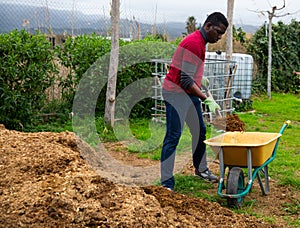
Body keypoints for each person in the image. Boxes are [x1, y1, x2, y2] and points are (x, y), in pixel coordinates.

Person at [160, 12, 228, 191]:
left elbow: (188, 72)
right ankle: (166, 183)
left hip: (187, 93)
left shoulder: (201, 42)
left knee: (200, 131)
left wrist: (200, 78)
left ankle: (201, 169)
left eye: (222, 34)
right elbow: (185, 80)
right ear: (208, 26)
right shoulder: (194, 43)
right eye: (218, 32)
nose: (219, 37)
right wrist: (206, 99)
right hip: (176, 93)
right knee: (173, 136)